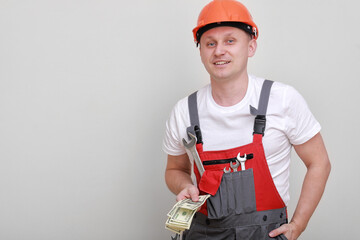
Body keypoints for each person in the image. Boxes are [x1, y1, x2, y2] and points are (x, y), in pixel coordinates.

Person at [163, 0, 331, 239]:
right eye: (210, 43)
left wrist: (298, 225)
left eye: (230, 41)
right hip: (203, 232)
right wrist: (183, 186)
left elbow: (320, 163)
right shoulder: (184, 112)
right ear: (200, 50)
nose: (219, 50)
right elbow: (174, 169)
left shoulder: (282, 100)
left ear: (251, 46)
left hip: (267, 232)